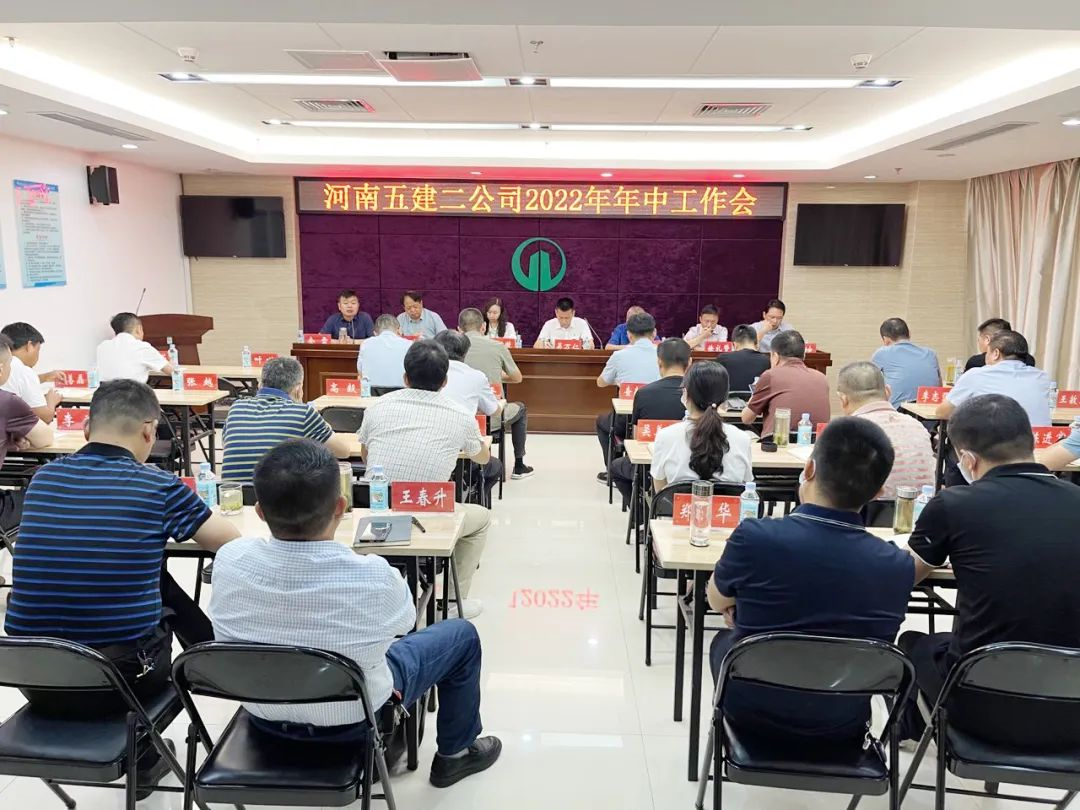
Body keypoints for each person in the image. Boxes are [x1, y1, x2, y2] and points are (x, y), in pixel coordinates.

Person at [208, 439, 501, 788]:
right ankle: (455, 754)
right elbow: (405, 625)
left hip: (262, 711)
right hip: (355, 718)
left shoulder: (230, 560)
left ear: (258, 511)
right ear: (341, 506)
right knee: (460, 635)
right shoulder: (375, 576)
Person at [5, 379, 239, 722]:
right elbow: (229, 541)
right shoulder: (158, 486)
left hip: (32, 674)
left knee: (143, 576)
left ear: (87, 429)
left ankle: (216, 664)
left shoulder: (44, 478)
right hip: (120, 678)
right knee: (158, 585)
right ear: (148, 431)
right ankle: (219, 667)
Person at [707, 417, 913, 740]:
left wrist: (743, 608)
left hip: (752, 715)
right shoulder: (898, 566)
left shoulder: (756, 537)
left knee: (725, 643)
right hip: (842, 724)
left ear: (810, 469)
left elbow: (715, 598)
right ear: (879, 492)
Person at [902, 395, 1080, 747]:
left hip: (981, 706)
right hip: (1070, 710)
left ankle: (916, 737)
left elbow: (907, 576)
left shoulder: (954, 504)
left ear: (968, 459)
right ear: (1032, 442)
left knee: (912, 643)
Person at [358, 341, 491, 618]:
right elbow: (482, 459)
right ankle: (452, 603)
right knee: (481, 518)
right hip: (429, 517)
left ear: (405, 378)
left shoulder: (377, 407)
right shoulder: (459, 414)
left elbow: (365, 456)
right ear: (444, 381)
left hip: (374, 516)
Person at [221, 357, 350, 483]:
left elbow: (225, 445)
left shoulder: (236, 407)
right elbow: (343, 451)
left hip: (233, 494)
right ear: (298, 389)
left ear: (260, 384)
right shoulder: (303, 413)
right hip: (278, 496)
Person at [837, 362, 935, 525]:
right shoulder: (917, 426)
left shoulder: (847, 430)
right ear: (888, 392)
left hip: (865, 522)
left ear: (843, 399)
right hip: (919, 520)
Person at [608, 338, 693, 504]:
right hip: (693, 468)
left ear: (659, 362)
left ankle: (642, 509)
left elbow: (636, 437)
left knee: (616, 467)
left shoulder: (644, 393)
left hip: (650, 468)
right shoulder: (697, 393)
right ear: (690, 362)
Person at [650, 362, 753, 492]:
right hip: (726, 506)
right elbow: (746, 488)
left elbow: (661, 492)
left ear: (686, 394)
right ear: (725, 397)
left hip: (677, 506)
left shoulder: (666, 436)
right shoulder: (742, 439)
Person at [459, 308, 534, 479]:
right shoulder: (497, 346)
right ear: (483, 327)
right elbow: (517, 378)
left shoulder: (449, 349)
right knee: (521, 408)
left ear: (459, 329)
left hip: (458, 419)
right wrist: (496, 376)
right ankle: (519, 465)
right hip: (491, 419)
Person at [434, 330, 505, 499]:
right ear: (465, 353)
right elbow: (493, 411)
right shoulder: (476, 376)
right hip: (459, 446)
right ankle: (472, 498)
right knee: (495, 466)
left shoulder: (427, 373)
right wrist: (500, 402)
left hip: (428, 446)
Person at [936, 330, 1052, 426]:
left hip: (997, 445)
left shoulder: (976, 375)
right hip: (1040, 444)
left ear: (996, 353)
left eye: (987, 352)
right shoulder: (1041, 377)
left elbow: (942, 412)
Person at [595, 313, 661, 477]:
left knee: (603, 422)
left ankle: (614, 470)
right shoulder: (663, 355)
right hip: (661, 419)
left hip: (627, 420)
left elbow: (601, 382)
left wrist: (619, 380)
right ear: (654, 333)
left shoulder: (619, 356)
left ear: (629, 335)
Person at [740, 330, 830, 439]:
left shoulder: (771, 375)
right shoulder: (822, 378)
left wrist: (753, 396)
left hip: (778, 443)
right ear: (804, 355)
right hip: (818, 444)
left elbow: (746, 419)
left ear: (775, 356)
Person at [871, 317, 941, 407]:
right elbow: (939, 386)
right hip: (931, 412)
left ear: (886, 340)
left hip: (898, 411)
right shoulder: (930, 353)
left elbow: (869, 386)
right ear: (909, 334)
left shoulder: (883, 353)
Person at [0, 322, 62, 424]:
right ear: (29, 346)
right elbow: (44, 418)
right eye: (38, 349)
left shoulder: (7, 365)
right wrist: (51, 401)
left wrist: (44, 377)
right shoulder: (24, 371)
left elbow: (16, 381)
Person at [96, 312, 173, 383]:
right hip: (132, 392)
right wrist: (172, 363)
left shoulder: (102, 346)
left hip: (104, 392)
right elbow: (172, 372)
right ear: (139, 329)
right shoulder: (142, 347)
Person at [358, 314, 412, 390]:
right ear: (399, 330)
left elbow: (360, 371)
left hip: (371, 392)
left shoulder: (366, 343)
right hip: (401, 392)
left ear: (375, 333)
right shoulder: (409, 344)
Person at [713, 324, 770, 395]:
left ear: (735, 344)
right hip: (756, 401)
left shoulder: (723, 358)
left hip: (729, 400)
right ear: (756, 344)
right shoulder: (766, 360)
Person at [964, 317, 1035, 371]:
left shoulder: (975, 362)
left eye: (979, 339)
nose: (978, 342)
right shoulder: (1028, 360)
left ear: (987, 339)